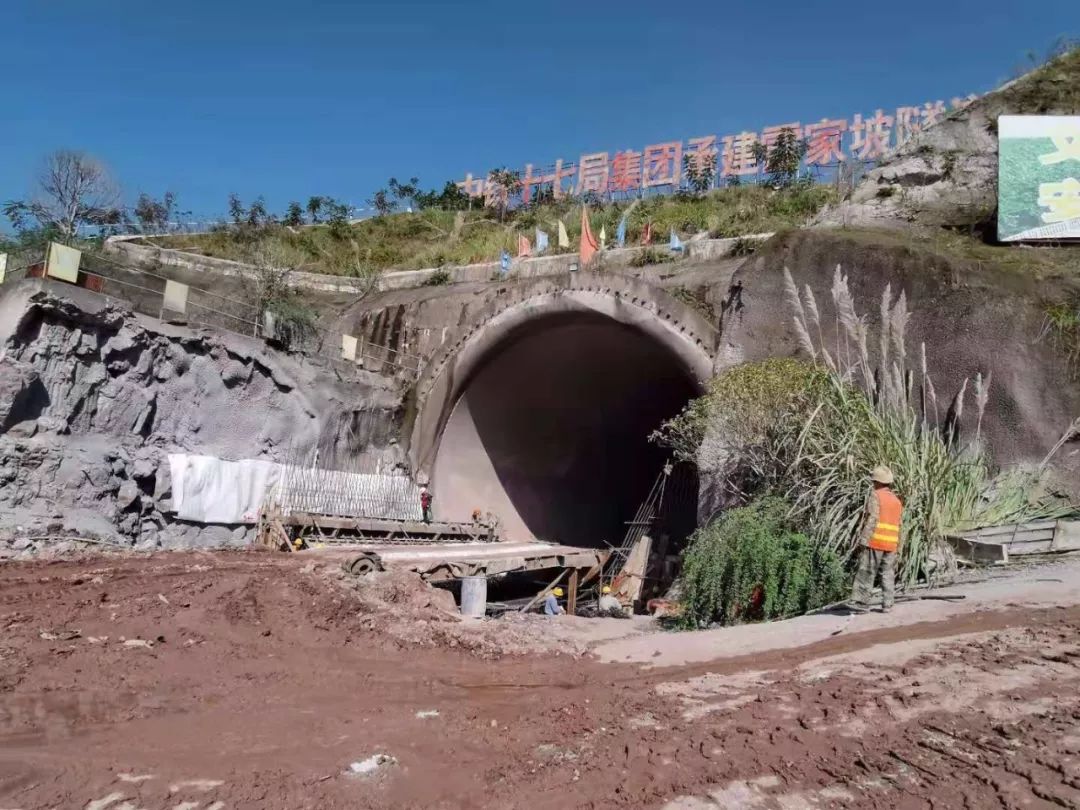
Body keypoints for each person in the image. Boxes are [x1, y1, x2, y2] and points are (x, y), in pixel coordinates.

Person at [850, 465, 903, 613]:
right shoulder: (896, 500)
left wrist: (863, 540)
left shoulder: (876, 495)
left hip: (876, 540)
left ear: (877, 482)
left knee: (867, 570)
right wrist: (898, 544)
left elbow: (872, 518)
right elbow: (899, 523)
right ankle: (888, 604)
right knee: (887, 573)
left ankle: (861, 603)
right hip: (891, 543)